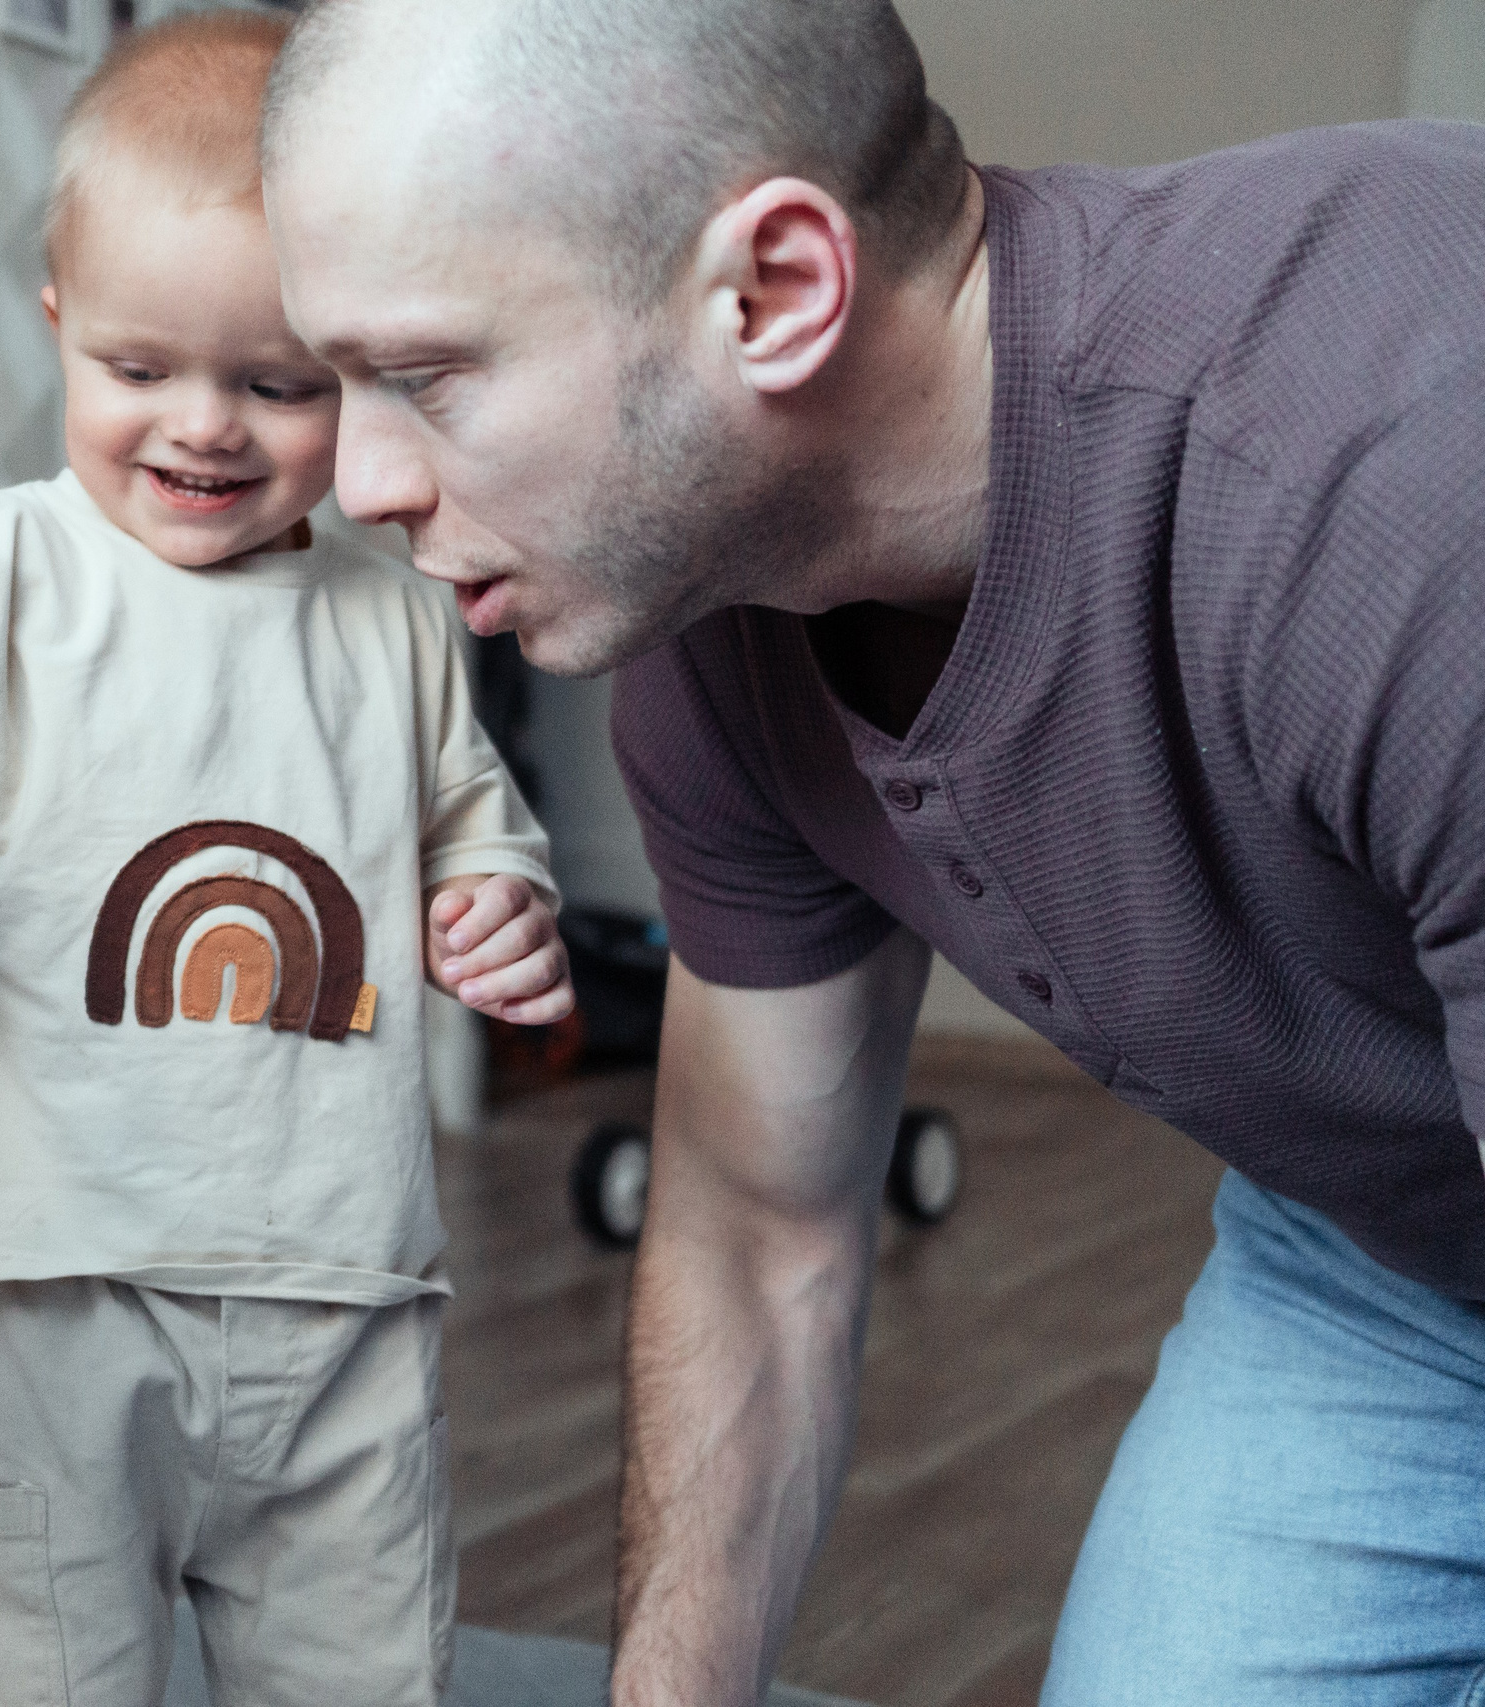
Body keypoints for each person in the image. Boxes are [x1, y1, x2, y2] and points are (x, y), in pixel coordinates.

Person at [260, 1, 1485, 1704]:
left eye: (426, 375)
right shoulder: (715, 631)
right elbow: (761, 1234)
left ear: (774, 291)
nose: (359, 479)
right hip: (1395, 1247)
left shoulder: (1394, 494)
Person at [0, 14, 571, 1705]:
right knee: (42, 1679)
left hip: (336, 1290)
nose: (204, 429)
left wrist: (490, 901)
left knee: (370, 1671)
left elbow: (464, 816)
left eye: (279, 385)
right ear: (60, 319)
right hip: (32, 1285)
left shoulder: (396, 623)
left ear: (358, 370)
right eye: (141, 372)